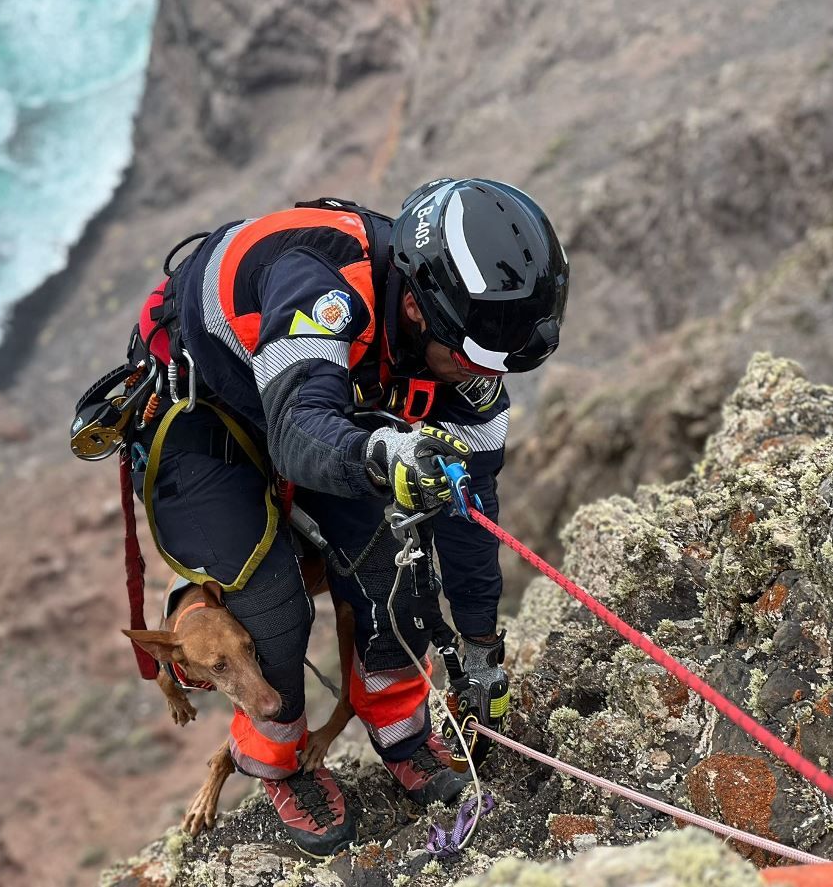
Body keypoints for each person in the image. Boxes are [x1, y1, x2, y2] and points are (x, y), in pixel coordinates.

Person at [116, 178, 568, 856]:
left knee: (391, 567)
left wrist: (480, 651)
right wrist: (385, 451)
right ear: (419, 312)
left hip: (326, 405)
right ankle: (279, 762)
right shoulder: (319, 288)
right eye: (468, 359)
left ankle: (403, 733)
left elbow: (469, 517)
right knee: (270, 605)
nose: (477, 378)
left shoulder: (466, 357)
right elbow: (299, 435)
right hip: (204, 416)